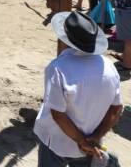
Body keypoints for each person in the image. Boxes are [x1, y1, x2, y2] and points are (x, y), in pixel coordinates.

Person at [33, 11, 122, 166]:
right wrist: (94, 138)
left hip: (56, 140)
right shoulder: (109, 67)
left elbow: (58, 114)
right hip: (91, 142)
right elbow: (116, 109)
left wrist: (81, 141)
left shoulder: (58, 68)